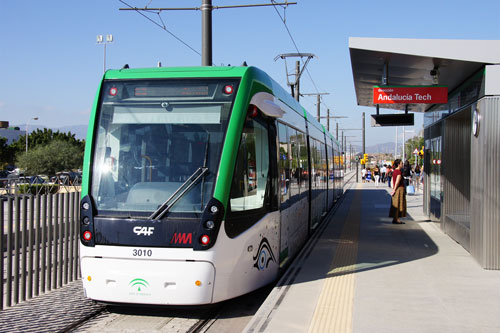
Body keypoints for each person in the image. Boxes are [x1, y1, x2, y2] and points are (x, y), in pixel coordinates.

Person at [389, 159, 406, 224]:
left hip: (396, 189)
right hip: (399, 189)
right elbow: (397, 182)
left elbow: (392, 181)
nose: (402, 164)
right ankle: (397, 219)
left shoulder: (394, 171)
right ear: (398, 164)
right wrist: (395, 189)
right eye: (402, 163)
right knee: (399, 204)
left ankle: (395, 218)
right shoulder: (399, 172)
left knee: (395, 203)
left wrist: (393, 189)